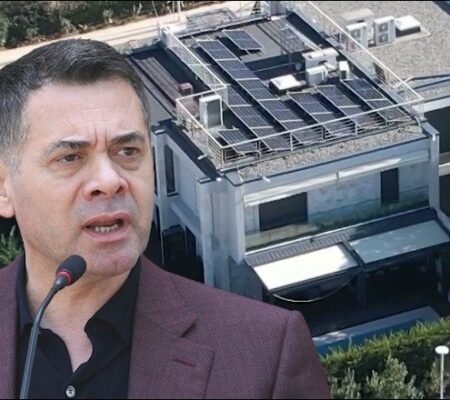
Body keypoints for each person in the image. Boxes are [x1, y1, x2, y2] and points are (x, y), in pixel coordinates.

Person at [0, 38, 331, 399]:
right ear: (4, 187)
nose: (110, 181)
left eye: (128, 151)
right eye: (70, 158)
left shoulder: (265, 353)